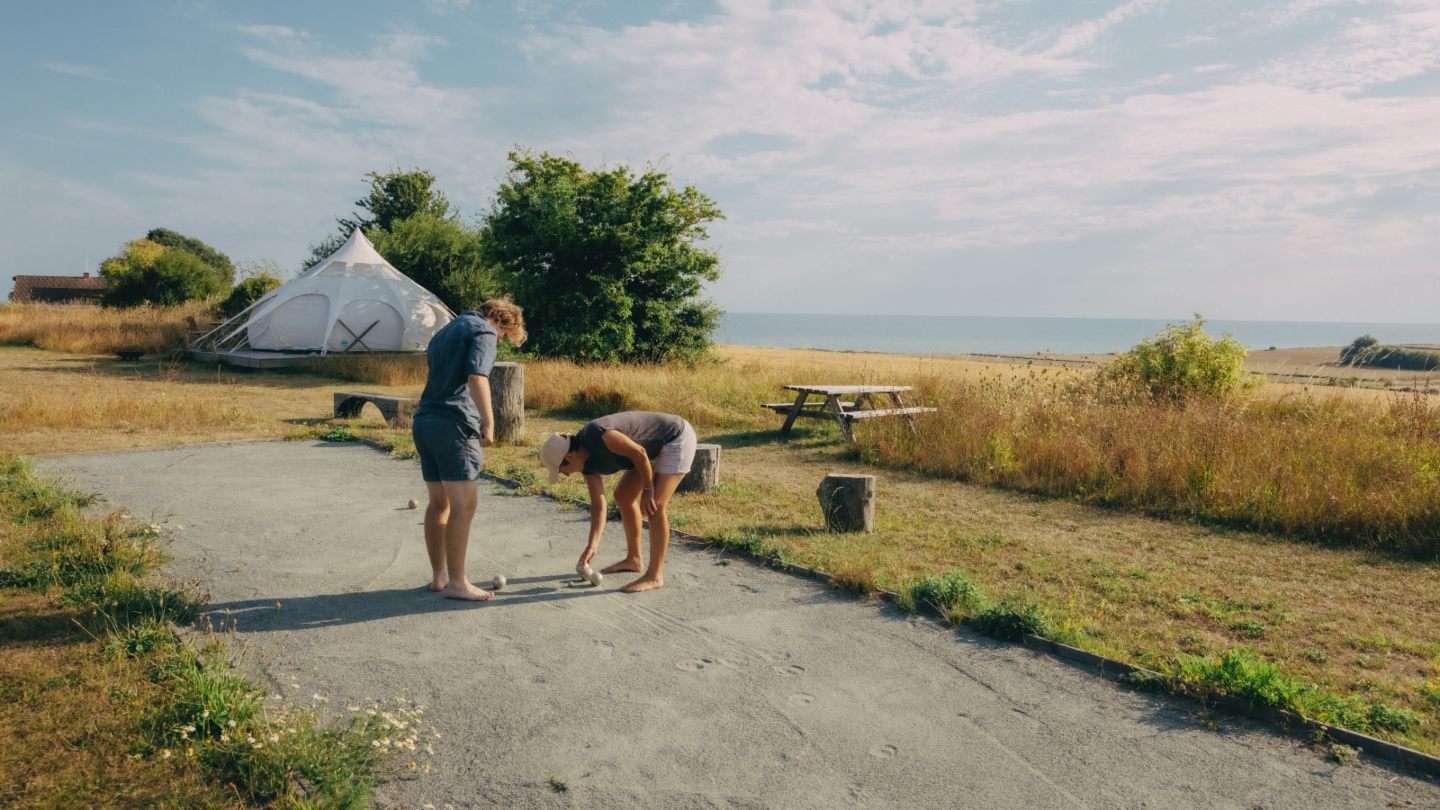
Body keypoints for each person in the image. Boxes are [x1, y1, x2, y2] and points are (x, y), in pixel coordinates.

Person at [411, 297, 526, 601]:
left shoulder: (446, 331)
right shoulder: (484, 331)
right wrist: (489, 422)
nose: (499, 341)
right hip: (453, 425)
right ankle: (458, 583)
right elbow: (477, 377)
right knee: (464, 505)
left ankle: (440, 577)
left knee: (439, 503)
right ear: (502, 322)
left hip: (425, 421)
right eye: (504, 336)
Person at [540, 412, 697, 593]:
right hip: (648, 451)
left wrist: (648, 489)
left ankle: (655, 576)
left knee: (655, 505)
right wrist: (592, 545)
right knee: (623, 495)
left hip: (674, 438)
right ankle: (634, 559)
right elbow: (599, 506)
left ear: (569, 457)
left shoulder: (597, 435)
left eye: (561, 470)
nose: (564, 475)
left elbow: (639, 453)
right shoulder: (587, 464)